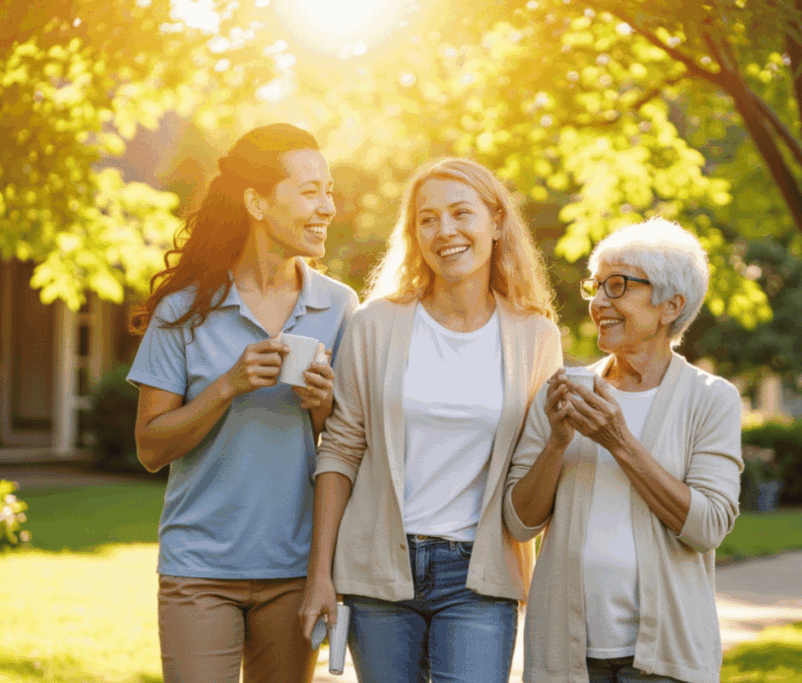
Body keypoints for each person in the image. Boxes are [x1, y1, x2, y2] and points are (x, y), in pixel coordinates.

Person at [299, 158, 562, 683]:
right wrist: (319, 575)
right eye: (428, 219)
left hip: (480, 580)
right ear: (414, 234)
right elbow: (340, 450)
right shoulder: (376, 324)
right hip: (378, 572)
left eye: (461, 213)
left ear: (496, 222)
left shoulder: (536, 335)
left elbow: (531, 478)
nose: (445, 232)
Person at [127, 123, 358, 683]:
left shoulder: (341, 307)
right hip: (199, 568)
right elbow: (150, 448)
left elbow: (347, 447)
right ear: (257, 201)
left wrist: (321, 405)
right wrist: (226, 387)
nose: (327, 206)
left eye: (329, 191)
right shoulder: (185, 310)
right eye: (310, 192)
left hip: (295, 569)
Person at [504, 217, 743, 683]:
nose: (598, 303)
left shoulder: (711, 399)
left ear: (670, 305)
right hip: (567, 656)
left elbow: (709, 525)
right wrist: (556, 441)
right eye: (596, 287)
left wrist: (619, 441)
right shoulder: (562, 392)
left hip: (665, 659)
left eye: (618, 287)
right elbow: (519, 522)